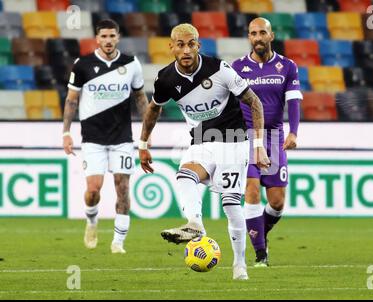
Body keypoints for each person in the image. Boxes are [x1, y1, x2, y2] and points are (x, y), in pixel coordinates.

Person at [138, 23, 270, 280]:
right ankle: (195, 224)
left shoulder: (220, 70)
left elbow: (254, 101)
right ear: (172, 47)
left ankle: (239, 265)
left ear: (198, 45)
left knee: (231, 205)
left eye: (191, 44)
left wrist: (258, 146)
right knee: (184, 174)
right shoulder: (165, 79)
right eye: (180, 44)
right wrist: (143, 144)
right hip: (201, 141)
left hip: (234, 141)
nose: (186, 50)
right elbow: (154, 108)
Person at [62, 19, 148, 254]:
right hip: (92, 138)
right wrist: (66, 133)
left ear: (118, 37)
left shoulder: (131, 63)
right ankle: (92, 220)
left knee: (122, 187)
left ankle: (118, 242)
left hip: (122, 137)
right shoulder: (83, 65)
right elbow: (71, 100)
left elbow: (141, 98)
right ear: (97, 39)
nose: (108, 41)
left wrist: (146, 133)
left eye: (112, 36)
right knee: (93, 189)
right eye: (104, 37)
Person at [232, 18, 302, 267]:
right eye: (253, 33)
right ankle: (261, 255)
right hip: (246, 138)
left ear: (271, 35)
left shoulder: (287, 66)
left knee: (277, 202)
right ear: (249, 37)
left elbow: (293, 101)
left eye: (262, 32)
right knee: (251, 190)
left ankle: (259, 233)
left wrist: (294, 132)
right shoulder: (237, 67)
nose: (258, 37)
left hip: (274, 137)